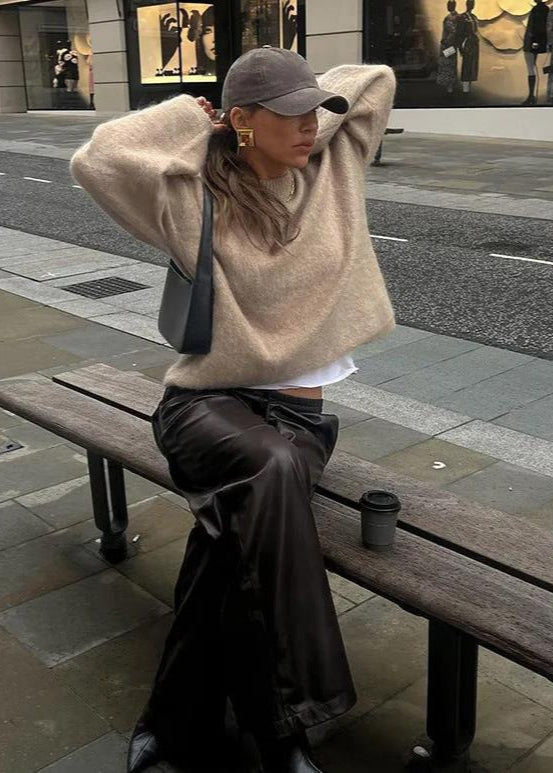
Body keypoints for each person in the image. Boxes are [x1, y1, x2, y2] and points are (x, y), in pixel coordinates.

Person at [70, 46, 396, 773]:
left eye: (314, 112)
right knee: (267, 472)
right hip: (205, 407)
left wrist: (303, 99)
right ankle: (285, 732)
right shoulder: (191, 196)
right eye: (288, 115)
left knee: (227, 545)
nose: (309, 125)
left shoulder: (336, 170)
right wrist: (194, 120)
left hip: (297, 420)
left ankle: (172, 724)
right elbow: (99, 159)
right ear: (242, 121)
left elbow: (372, 81)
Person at [522, 0, 550, 105]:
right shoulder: (545, 9)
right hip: (539, 42)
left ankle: (531, 96)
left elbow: (538, 27)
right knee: (533, 69)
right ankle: (532, 96)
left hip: (533, 43)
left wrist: (535, 41)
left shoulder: (538, 9)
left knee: (531, 69)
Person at [436, 0, 459, 95]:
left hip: (448, 45)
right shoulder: (456, 17)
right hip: (452, 45)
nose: (448, 6)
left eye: (449, 5)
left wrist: (446, 42)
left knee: (448, 64)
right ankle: (449, 86)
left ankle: (449, 87)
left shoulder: (451, 18)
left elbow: (453, 32)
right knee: (450, 64)